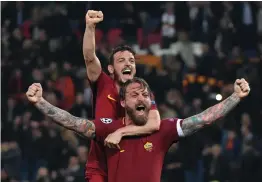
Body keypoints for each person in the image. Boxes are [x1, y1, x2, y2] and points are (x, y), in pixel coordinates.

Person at [26, 77, 250, 182]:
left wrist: (235, 97)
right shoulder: (109, 127)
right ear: (123, 103)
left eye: (145, 94)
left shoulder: (163, 129)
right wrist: (40, 103)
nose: (141, 97)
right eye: (134, 94)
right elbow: (73, 122)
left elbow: (202, 119)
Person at [82, 10, 161, 182]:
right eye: (121, 61)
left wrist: (121, 132)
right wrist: (90, 27)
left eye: (132, 61)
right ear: (110, 69)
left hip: (129, 164)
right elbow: (89, 58)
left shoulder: (143, 93)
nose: (128, 64)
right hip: (100, 166)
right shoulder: (103, 83)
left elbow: (154, 124)